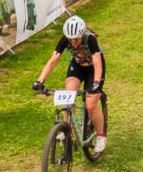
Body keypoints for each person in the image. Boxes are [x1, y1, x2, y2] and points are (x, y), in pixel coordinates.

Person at [33, 14, 106, 153]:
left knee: (91, 106)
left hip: (93, 68)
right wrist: (40, 81)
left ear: (82, 34)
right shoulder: (65, 39)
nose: (73, 42)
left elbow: (97, 63)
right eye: (70, 39)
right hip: (78, 66)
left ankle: (101, 136)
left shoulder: (90, 39)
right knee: (68, 96)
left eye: (76, 39)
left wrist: (96, 83)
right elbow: (53, 60)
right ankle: (67, 129)